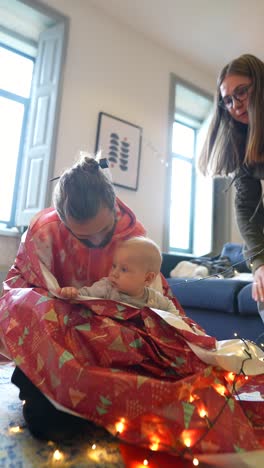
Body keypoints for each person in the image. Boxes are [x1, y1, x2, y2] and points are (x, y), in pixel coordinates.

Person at [1, 153, 263, 454]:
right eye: (84, 237)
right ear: (62, 221)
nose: (97, 242)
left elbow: (156, 301)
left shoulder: (133, 238)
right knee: (50, 421)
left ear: (114, 207)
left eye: (104, 231)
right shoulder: (43, 233)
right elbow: (19, 292)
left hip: (110, 336)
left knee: (177, 392)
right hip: (59, 335)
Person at [199, 53, 264, 322]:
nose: (235, 105)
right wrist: (260, 264)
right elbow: (245, 208)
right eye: (227, 100)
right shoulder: (244, 144)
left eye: (242, 93)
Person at [56, 236, 180, 315]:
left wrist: (178, 323)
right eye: (114, 266)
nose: (114, 273)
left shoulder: (153, 299)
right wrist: (71, 293)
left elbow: (171, 310)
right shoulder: (107, 287)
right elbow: (83, 295)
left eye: (124, 269)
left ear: (147, 278)